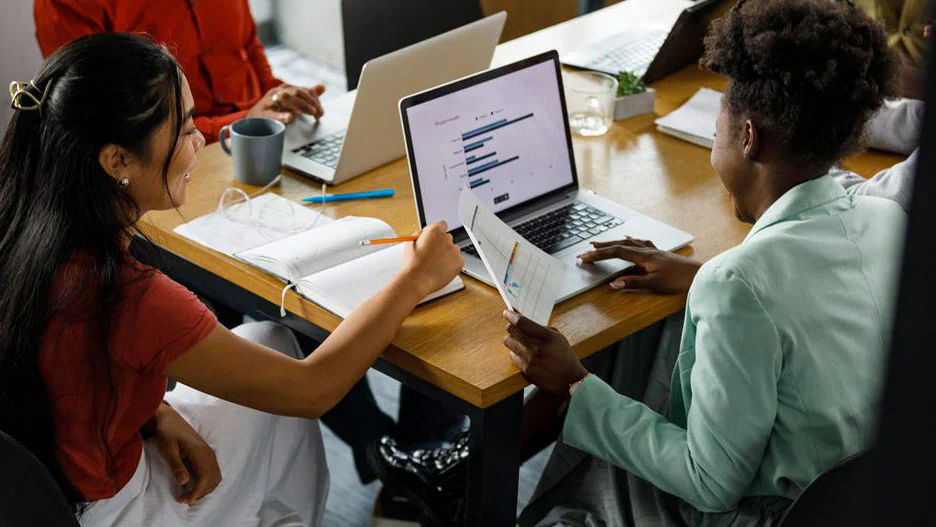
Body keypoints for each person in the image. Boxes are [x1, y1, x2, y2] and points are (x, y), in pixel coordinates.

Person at [372, 0, 907, 524]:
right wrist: (695, 279)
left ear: (748, 137)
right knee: (645, 340)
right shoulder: (888, 220)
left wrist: (575, 386)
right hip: (861, 498)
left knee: (614, 407)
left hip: (759, 514)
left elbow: (710, 484)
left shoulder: (738, 284)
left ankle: (471, 485)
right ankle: (461, 474)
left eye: (721, 118)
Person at [0, 32, 463, 526]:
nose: (200, 139)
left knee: (270, 336)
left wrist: (154, 414)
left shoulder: (21, 228)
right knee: (282, 383)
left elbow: (65, 376)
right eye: (183, 131)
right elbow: (311, 391)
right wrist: (414, 279)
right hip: (115, 510)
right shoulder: (132, 296)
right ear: (117, 161)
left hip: (50, 482)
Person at [34, 0, 326, 142]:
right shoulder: (66, 4)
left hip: (265, 133)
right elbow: (106, 124)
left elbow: (247, 44)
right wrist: (244, 122)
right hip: (175, 161)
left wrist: (279, 96)